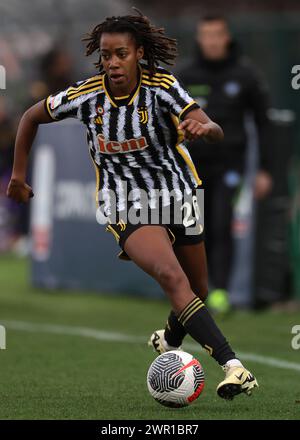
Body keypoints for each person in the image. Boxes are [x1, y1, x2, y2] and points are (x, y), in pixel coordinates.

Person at [7, 9, 258, 400]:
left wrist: (205, 129)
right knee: (171, 277)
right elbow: (30, 117)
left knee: (198, 289)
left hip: (180, 195)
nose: (112, 63)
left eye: (120, 54)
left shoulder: (161, 86)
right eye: (106, 55)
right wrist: (18, 175)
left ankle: (170, 338)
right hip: (126, 204)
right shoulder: (86, 96)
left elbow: (210, 125)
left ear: (138, 53)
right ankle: (234, 366)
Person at [179, 15, 273, 312]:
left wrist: (264, 169)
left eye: (217, 34)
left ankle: (219, 290)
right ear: (199, 38)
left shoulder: (246, 75)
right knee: (190, 228)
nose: (212, 41)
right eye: (206, 35)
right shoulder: (185, 75)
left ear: (226, 37)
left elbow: (264, 123)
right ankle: (190, 291)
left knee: (221, 224)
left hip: (230, 166)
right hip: (189, 168)